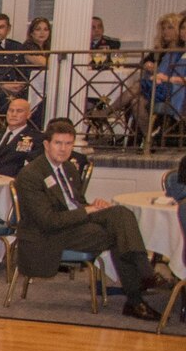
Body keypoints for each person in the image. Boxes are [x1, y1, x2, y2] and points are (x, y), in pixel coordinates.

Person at [14, 120, 161, 321]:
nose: (63, 149)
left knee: (121, 213)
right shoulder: (31, 175)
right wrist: (87, 211)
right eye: (58, 143)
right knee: (115, 234)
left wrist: (92, 206)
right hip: (47, 235)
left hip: (73, 223)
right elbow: (48, 221)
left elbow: (76, 203)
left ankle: (143, 275)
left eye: (68, 144)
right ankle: (138, 294)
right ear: (47, 145)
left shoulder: (69, 169)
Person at [0, 95, 44, 178]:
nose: (14, 114)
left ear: (28, 115)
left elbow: (32, 169)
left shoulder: (36, 138)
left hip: (13, 185)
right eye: (11, 110)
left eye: (19, 111)